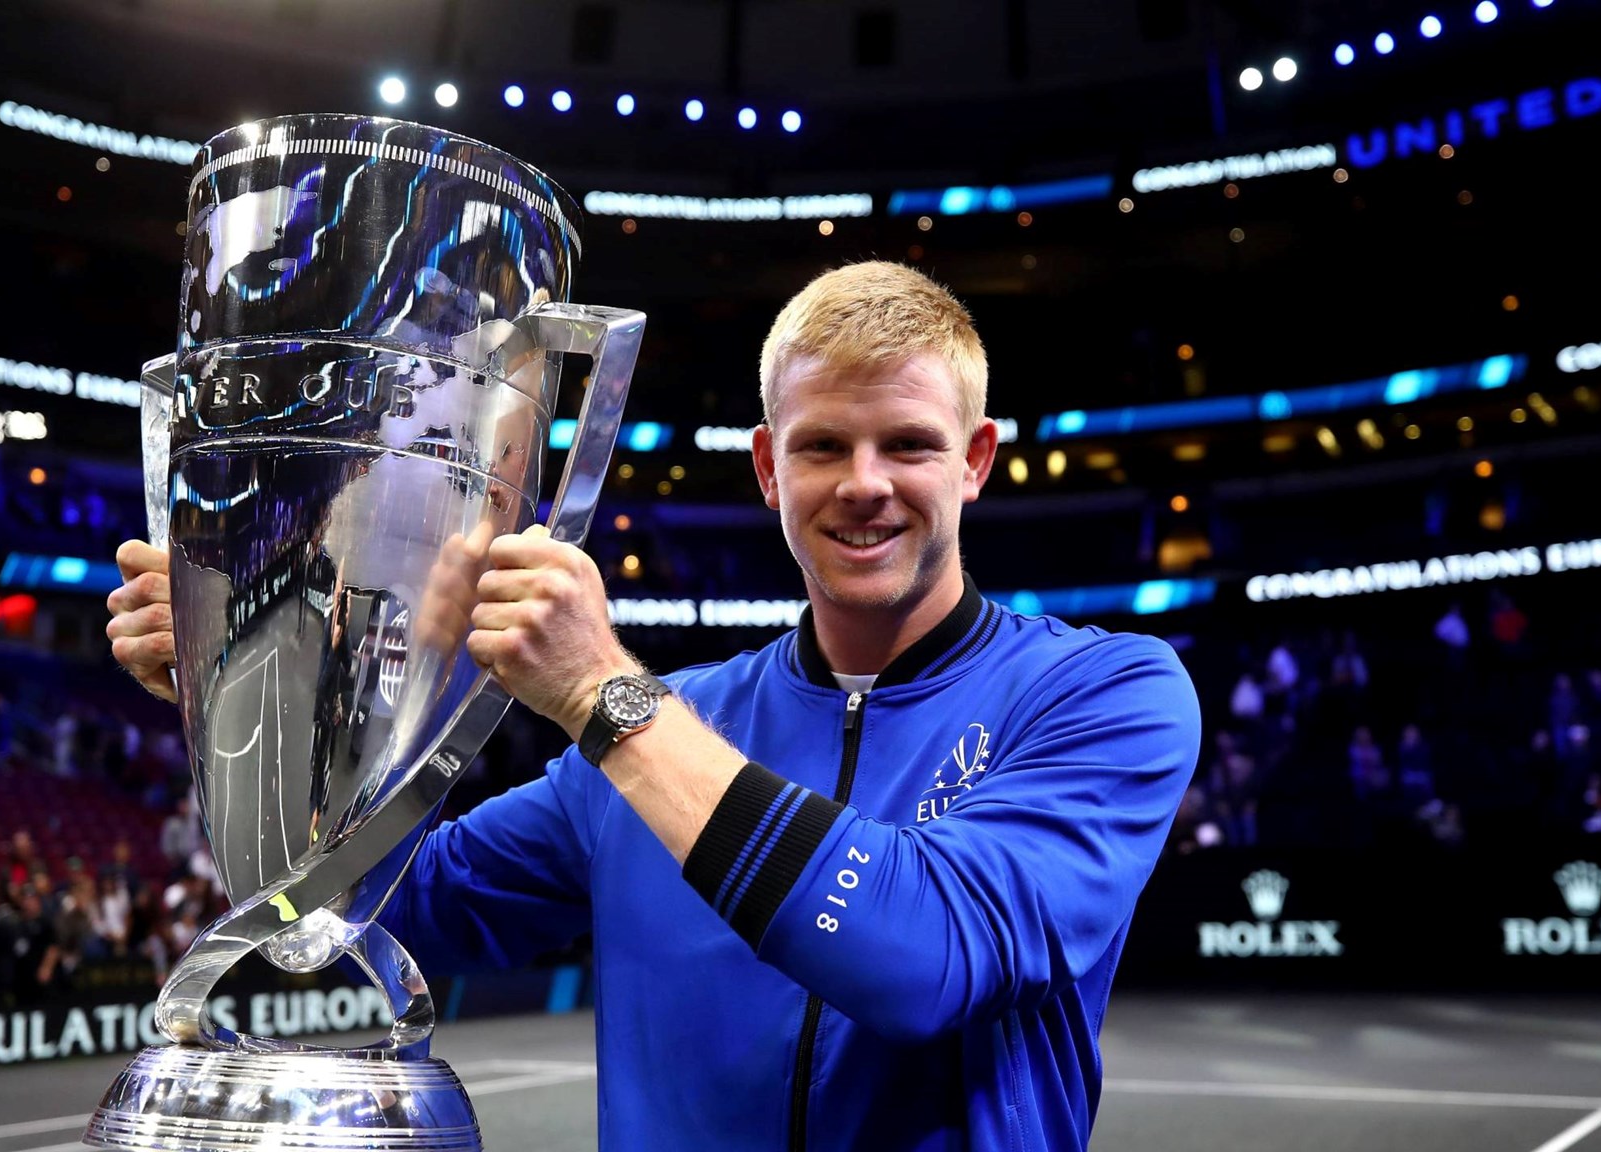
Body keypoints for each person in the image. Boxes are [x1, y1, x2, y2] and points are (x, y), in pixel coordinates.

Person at [104, 261, 1201, 1149]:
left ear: (974, 461)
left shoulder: (1102, 695)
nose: (863, 482)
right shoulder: (673, 728)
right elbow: (369, 904)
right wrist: (239, 695)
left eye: (908, 444)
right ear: (768, 469)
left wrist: (602, 695)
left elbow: (925, 959)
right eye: (822, 445)